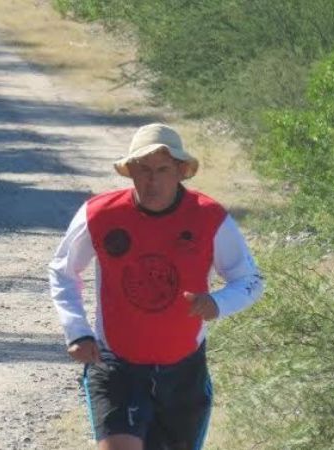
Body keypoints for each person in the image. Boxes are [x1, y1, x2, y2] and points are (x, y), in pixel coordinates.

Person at [48, 123, 264, 450]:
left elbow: (251, 280)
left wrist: (218, 302)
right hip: (117, 364)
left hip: (183, 371)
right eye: (143, 170)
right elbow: (63, 270)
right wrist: (77, 331)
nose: (152, 180)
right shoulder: (99, 214)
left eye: (162, 169)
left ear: (180, 171)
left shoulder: (209, 217)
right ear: (130, 172)